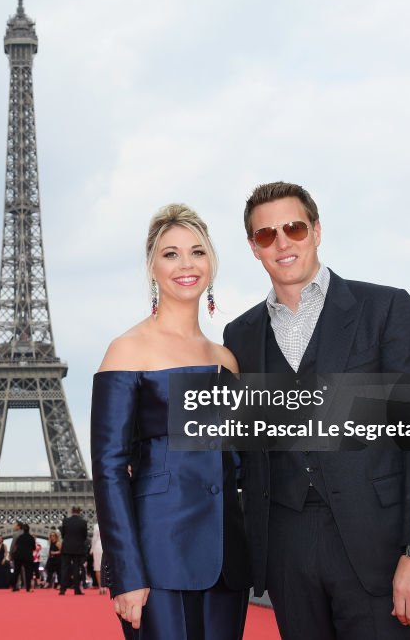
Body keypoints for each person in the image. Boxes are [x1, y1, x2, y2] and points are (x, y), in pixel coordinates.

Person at [223, 182, 410, 638]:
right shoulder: (239, 336)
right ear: (253, 248)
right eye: (267, 235)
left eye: (294, 227)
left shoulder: (384, 308)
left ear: (317, 230)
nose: (282, 242)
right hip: (286, 548)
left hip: (378, 544)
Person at [93, 204, 251, 638]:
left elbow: (237, 462)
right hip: (157, 556)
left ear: (212, 263)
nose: (186, 264)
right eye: (171, 254)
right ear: (151, 267)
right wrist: (125, 572)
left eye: (197, 252)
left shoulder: (226, 359)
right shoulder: (127, 349)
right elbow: (109, 469)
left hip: (225, 559)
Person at [59, 506, 88, 595]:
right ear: (80, 512)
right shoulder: (83, 522)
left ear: (71, 511)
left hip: (67, 547)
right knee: (76, 569)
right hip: (78, 548)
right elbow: (84, 536)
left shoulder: (66, 521)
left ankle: (62, 589)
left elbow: (63, 534)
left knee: (65, 569)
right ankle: (76, 590)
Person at [10, 522, 36, 592]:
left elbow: (15, 546)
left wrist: (11, 555)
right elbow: (34, 548)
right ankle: (28, 588)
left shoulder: (19, 537)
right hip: (28, 556)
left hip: (18, 556)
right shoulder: (31, 538)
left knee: (16, 571)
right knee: (28, 572)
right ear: (29, 529)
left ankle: (13, 587)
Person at [90, 523, 106, 595]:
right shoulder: (110, 522)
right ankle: (105, 586)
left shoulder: (96, 526)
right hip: (107, 546)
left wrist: (92, 549)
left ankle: (100, 587)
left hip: (98, 546)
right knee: (106, 566)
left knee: (98, 567)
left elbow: (94, 538)